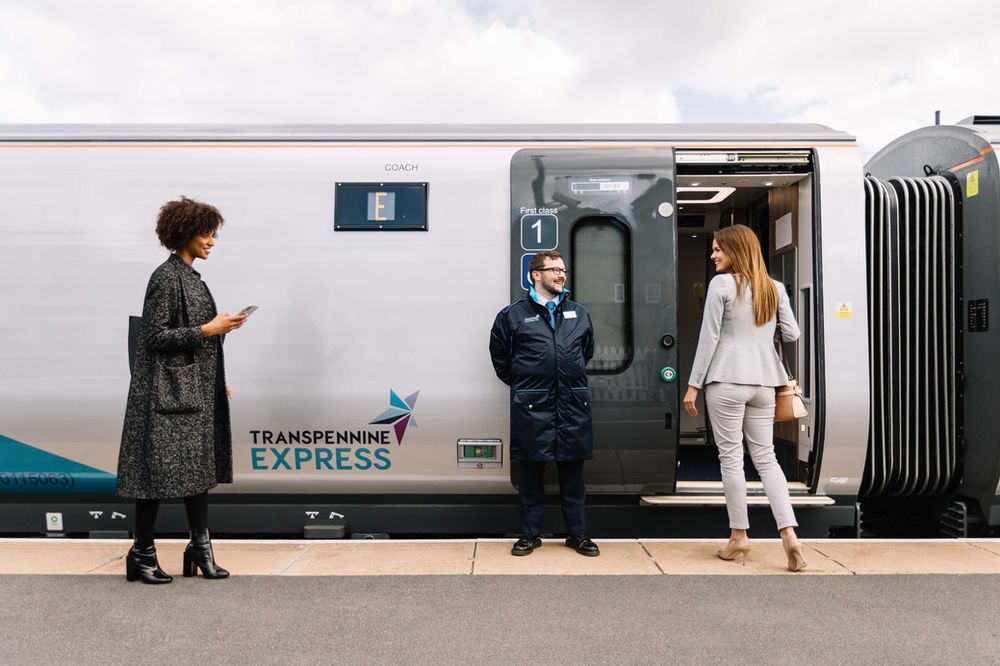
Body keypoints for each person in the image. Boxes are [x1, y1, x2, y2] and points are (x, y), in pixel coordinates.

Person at [116, 197, 247, 584]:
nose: (211, 241)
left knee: (199, 469)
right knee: (154, 474)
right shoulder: (166, 277)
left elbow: (192, 341)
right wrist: (209, 330)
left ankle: (199, 546)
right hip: (166, 396)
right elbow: (154, 336)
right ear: (185, 233)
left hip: (192, 392)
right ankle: (142, 553)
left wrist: (215, 376)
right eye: (206, 233)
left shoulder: (189, 277)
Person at [682, 224, 807, 572]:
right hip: (765, 382)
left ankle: (739, 536)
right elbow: (793, 333)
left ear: (735, 250)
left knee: (731, 458)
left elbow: (709, 339)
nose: (713, 255)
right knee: (767, 459)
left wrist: (693, 385)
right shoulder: (774, 288)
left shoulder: (721, 285)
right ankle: (790, 535)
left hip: (727, 379)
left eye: (718, 249)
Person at [489, 250, 599, 557]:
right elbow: (501, 360)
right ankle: (529, 535)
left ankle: (577, 535)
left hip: (572, 405)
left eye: (563, 270)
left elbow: (586, 352)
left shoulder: (579, 312)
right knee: (531, 477)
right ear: (536, 274)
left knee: (573, 478)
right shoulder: (512, 315)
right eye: (554, 270)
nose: (561, 275)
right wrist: (527, 386)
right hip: (531, 407)